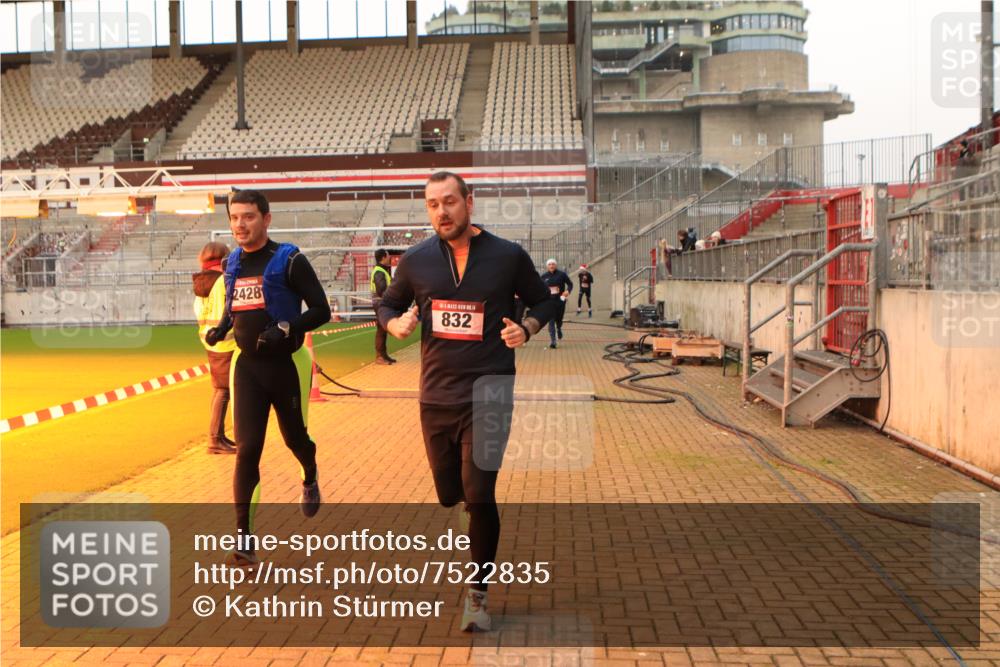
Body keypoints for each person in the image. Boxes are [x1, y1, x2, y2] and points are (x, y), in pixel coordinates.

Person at [378, 171, 557, 632]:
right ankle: (466, 508)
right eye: (433, 204)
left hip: (490, 390)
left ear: (469, 203)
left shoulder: (507, 255)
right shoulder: (416, 260)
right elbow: (387, 303)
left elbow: (545, 302)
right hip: (437, 394)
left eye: (450, 201)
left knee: (479, 493)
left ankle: (477, 596)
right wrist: (394, 324)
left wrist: (527, 328)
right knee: (449, 494)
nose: (442, 211)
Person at [204, 190, 331, 567]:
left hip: (285, 366)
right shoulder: (232, 263)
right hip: (247, 368)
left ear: (266, 219)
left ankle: (310, 475)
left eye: (248, 216)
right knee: (247, 449)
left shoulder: (289, 260)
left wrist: (287, 327)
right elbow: (235, 306)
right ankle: (243, 539)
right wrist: (221, 328)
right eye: (234, 217)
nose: (240, 225)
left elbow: (321, 310)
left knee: (295, 439)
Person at [192, 241, 237, 455]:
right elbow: (230, 310)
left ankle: (218, 435)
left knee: (220, 389)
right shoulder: (223, 280)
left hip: (211, 341)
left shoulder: (201, 281)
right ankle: (215, 440)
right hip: (227, 342)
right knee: (223, 391)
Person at [540, 258, 572, 348]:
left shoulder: (562, 274)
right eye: (549, 264)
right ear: (547, 266)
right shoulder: (544, 276)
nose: (551, 266)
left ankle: (559, 328)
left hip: (560, 300)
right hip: (549, 302)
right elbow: (539, 287)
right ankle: (553, 341)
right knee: (551, 320)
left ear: (556, 265)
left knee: (559, 319)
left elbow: (570, 284)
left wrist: (568, 291)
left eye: (553, 264)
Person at [370, 248, 395, 364]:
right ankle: (380, 356)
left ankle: (383, 355)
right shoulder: (379, 271)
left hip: (380, 303)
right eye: (388, 255)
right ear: (383, 257)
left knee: (383, 329)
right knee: (381, 329)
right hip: (380, 303)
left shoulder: (380, 270)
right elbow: (381, 290)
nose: (390, 258)